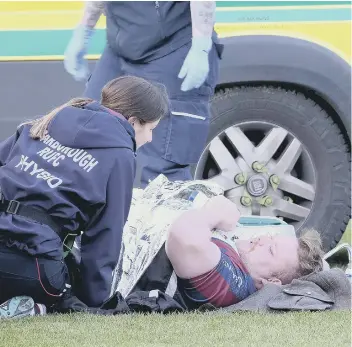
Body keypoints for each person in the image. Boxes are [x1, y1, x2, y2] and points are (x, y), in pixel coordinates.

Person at [0, 75, 169, 315]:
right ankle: (33, 308)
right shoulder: (120, 154)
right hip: (36, 269)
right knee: (60, 281)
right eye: (151, 129)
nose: (150, 138)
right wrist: (94, 302)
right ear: (133, 121)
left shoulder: (45, 123)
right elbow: (104, 238)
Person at [64, 1, 223, 187]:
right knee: (86, 138)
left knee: (162, 170)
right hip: (122, 45)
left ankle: (167, 214)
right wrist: (85, 28)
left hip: (174, 45)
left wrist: (201, 44)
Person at [165, 195, 325, 308]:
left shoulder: (235, 283)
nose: (262, 239)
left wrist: (214, 212)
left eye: (271, 249)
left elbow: (185, 239)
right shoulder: (241, 258)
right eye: (271, 237)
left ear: (271, 282)